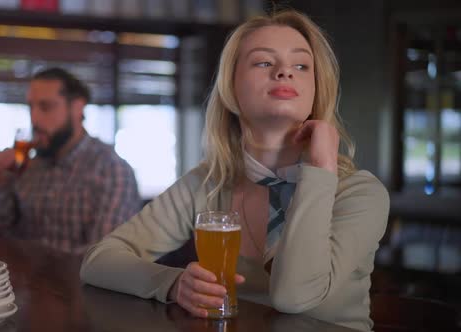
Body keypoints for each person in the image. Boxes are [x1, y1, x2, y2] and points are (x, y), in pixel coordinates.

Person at [80, 9, 389, 332]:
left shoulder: (360, 194)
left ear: (316, 88)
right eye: (264, 63)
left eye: (301, 65)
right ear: (230, 85)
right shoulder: (208, 182)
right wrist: (174, 283)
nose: (285, 72)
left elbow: (294, 297)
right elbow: (99, 260)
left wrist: (321, 170)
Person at [0, 67, 141, 254]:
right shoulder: (28, 166)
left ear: (77, 107)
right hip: (15, 281)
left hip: (69, 282)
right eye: (31, 107)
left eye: (46, 107)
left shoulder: (111, 170)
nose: (34, 119)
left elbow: (103, 260)